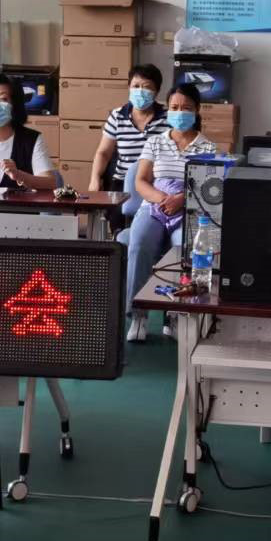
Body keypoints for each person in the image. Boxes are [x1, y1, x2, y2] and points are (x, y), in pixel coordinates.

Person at [122, 83, 216, 342]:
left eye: (186, 108)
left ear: (197, 110)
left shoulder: (207, 147)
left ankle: (173, 315)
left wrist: (181, 200)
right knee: (139, 244)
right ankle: (138, 314)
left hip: (187, 208)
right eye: (174, 107)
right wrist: (162, 199)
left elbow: (208, 187)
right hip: (154, 206)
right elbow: (141, 181)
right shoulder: (155, 142)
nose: (180, 112)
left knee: (183, 250)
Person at [90, 64, 167, 218]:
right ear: (129, 88)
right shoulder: (117, 116)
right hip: (122, 184)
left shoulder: (168, 117)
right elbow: (103, 153)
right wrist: (95, 179)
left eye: (147, 87)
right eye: (136, 86)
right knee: (117, 223)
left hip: (156, 184)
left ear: (157, 91)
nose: (140, 91)